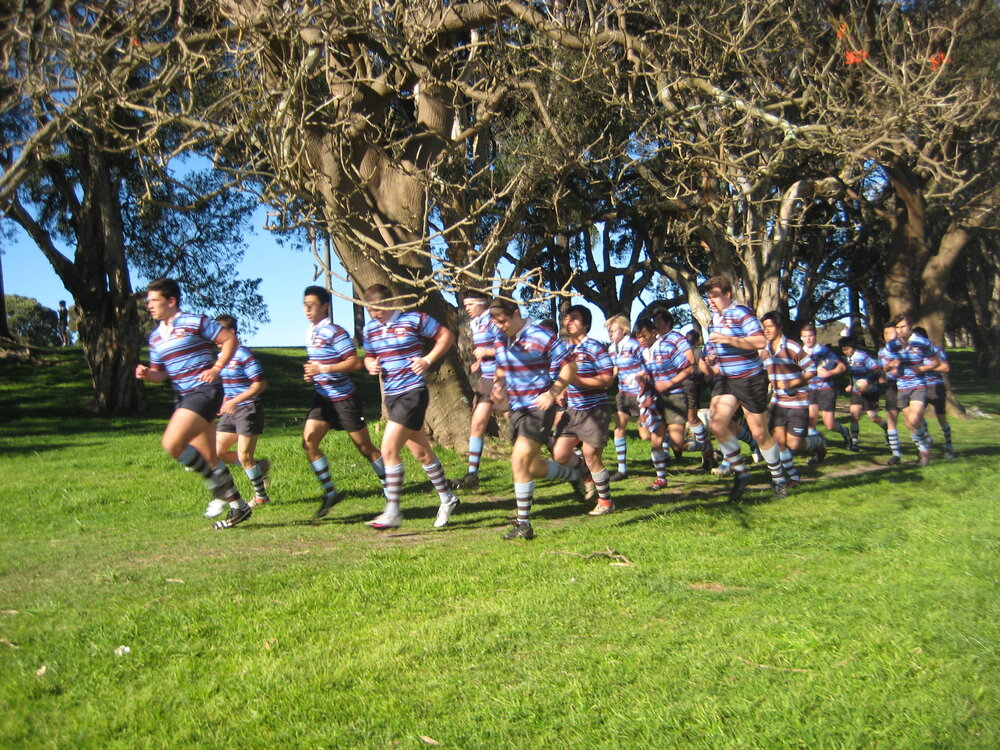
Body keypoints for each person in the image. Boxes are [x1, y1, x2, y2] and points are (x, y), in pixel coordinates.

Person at [134, 278, 252, 530]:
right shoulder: (155, 338)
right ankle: (239, 507)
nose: (149, 306)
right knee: (210, 456)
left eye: (154, 300)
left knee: (172, 444)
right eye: (148, 301)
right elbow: (161, 373)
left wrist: (217, 367)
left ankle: (216, 486)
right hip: (184, 397)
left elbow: (229, 339)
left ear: (171, 301)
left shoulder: (194, 321)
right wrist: (147, 374)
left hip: (205, 391)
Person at [361, 284, 460, 529]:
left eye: (379, 309)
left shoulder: (414, 320)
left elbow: (446, 336)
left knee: (388, 448)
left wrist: (427, 359)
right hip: (392, 396)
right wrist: (370, 364)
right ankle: (448, 498)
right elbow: (369, 355)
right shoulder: (371, 330)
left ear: (391, 303)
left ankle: (393, 510)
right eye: (370, 310)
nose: (375, 314)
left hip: (413, 392)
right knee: (421, 453)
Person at [489, 298, 584, 540]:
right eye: (496, 322)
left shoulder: (540, 335)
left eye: (502, 321)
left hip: (539, 407)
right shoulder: (500, 336)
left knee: (518, 459)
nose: (499, 326)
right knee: (530, 467)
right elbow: (501, 367)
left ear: (516, 313)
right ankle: (573, 474)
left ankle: (524, 524)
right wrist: (498, 386)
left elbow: (570, 365)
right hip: (517, 409)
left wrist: (553, 392)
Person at [301, 285, 386, 518]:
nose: (307, 309)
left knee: (365, 448)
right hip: (323, 398)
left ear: (325, 306)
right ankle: (330, 492)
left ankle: (391, 487)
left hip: (344, 399)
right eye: (304, 305)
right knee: (309, 443)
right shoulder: (310, 333)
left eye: (312, 305)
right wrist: (312, 374)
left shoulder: (335, 332)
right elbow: (317, 365)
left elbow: (355, 363)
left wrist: (323, 368)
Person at [701, 276, 788, 500]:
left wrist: (729, 340)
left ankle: (779, 479)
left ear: (728, 294)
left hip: (750, 378)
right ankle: (741, 471)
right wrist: (711, 358)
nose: (711, 301)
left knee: (760, 433)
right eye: (708, 297)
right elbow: (713, 345)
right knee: (717, 424)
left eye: (715, 296)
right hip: (727, 379)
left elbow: (759, 342)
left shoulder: (742, 313)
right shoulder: (713, 320)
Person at [552, 304, 616, 516]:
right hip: (572, 411)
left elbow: (607, 380)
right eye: (567, 318)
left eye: (575, 318)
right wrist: (560, 390)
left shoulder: (594, 347)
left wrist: (578, 380)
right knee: (560, 454)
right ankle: (586, 476)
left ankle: (606, 502)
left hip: (594, 409)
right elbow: (555, 377)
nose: (569, 321)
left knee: (590, 454)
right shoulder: (562, 349)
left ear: (586, 324)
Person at [760, 311, 825, 487]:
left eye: (770, 326)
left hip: (798, 401)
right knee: (780, 442)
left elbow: (812, 370)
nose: (766, 330)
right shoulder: (764, 352)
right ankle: (793, 477)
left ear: (780, 328)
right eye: (764, 327)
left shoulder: (792, 347)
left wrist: (792, 383)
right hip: (777, 402)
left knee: (794, 444)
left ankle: (819, 441)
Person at [452, 291, 508, 489]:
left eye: (470, 304)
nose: (466, 308)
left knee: (520, 426)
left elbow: (508, 348)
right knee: (477, 424)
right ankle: (472, 475)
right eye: (465, 304)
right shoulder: (475, 323)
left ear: (483, 304)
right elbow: (486, 348)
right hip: (486, 379)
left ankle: (558, 454)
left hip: (504, 379)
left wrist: (485, 352)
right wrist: (479, 361)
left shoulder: (494, 321)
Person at [214, 314, 271, 507]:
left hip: (248, 409)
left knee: (244, 455)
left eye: (218, 333)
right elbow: (229, 384)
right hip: (231, 410)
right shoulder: (221, 357)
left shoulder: (243, 354)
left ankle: (261, 495)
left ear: (231, 332)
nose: (214, 337)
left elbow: (260, 384)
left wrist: (235, 400)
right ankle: (259, 467)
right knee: (217, 451)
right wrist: (225, 401)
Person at [652, 310, 713, 468]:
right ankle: (666, 456)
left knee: (692, 418)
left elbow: (690, 358)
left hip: (684, 383)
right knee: (664, 423)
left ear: (667, 323)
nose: (655, 324)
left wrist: (672, 373)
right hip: (665, 389)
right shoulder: (658, 340)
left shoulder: (676, 338)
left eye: (658, 320)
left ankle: (708, 452)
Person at [886, 313, 940, 466]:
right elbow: (884, 366)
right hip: (902, 387)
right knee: (910, 425)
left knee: (914, 419)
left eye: (902, 326)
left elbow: (936, 362)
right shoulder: (892, 345)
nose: (900, 330)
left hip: (918, 385)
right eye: (897, 327)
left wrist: (921, 368)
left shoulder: (921, 342)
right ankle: (926, 442)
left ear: (910, 326)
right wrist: (891, 364)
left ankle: (924, 454)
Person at [800, 323, 853, 456]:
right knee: (811, 423)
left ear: (815, 336)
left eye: (810, 336)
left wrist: (830, 373)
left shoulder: (824, 351)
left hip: (826, 389)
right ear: (801, 338)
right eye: (805, 336)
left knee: (829, 424)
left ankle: (845, 432)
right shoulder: (799, 353)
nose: (808, 339)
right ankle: (817, 450)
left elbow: (841, 367)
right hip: (810, 390)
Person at [605, 314, 646, 481]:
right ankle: (622, 469)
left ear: (623, 330)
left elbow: (648, 366)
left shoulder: (634, 345)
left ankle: (667, 445)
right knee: (619, 427)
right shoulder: (612, 349)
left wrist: (637, 377)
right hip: (622, 393)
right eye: (608, 331)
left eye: (613, 330)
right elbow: (614, 369)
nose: (610, 334)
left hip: (639, 393)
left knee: (646, 434)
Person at [912, 325, 956, 459]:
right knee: (916, 416)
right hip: (919, 388)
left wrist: (924, 368)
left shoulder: (934, 350)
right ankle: (926, 440)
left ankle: (949, 446)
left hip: (935, 387)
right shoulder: (912, 352)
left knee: (941, 417)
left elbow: (945, 367)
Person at [839, 335, 888, 449]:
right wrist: (850, 384)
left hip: (870, 390)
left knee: (873, 417)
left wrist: (868, 382)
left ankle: (888, 430)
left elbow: (878, 371)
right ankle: (855, 441)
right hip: (857, 391)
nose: (845, 352)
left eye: (847, 349)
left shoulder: (863, 357)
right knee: (854, 414)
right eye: (843, 349)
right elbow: (852, 374)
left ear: (853, 347)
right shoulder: (846, 359)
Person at [877, 324, 904, 465]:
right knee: (891, 417)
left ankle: (922, 447)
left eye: (891, 333)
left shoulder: (906, 348)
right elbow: (884, 368)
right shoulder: (882, 352)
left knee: (911, 420)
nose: (888, 336)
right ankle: (896, 454)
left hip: (908, 386)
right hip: (893, 387)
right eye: (885, 333)